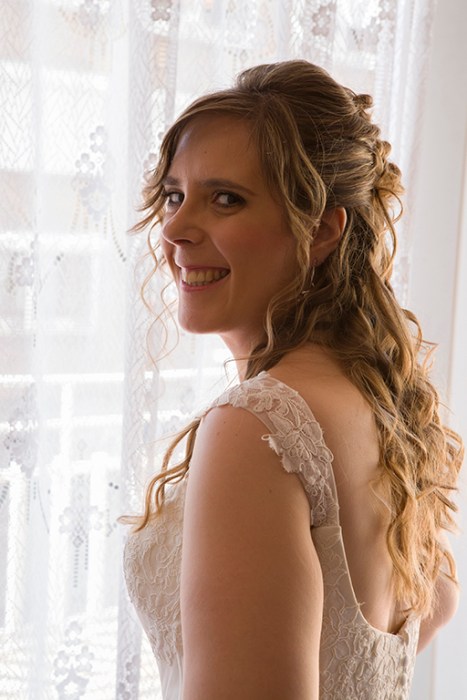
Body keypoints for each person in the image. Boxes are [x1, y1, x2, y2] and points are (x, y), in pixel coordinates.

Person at [122, 60, 463, 700]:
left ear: (321, 230)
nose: (175, 229)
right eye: (173, 195)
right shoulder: (377, 399)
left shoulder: (255, 426)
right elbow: (422, 610)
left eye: (226, 198)